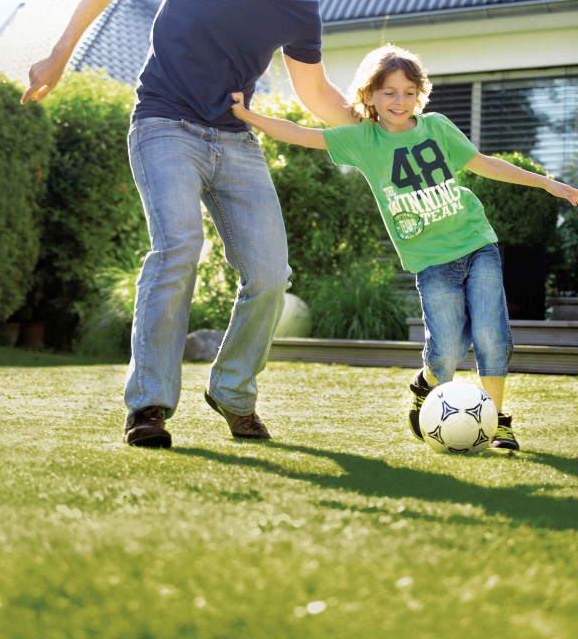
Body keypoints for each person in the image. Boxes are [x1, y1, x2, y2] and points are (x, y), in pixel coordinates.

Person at [21, 0, 367, 448]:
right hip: (163, 124)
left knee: (270, 272)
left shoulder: (301, 9)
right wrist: (60, 55)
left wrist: (378, 124)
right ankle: (150, 405)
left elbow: (316, 94)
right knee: (179, 246)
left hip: (234, 139)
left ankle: (231, 392)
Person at [231, 44, 578, 452]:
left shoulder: (438, 127)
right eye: (389, 92)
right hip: (430, 261)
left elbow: (484, 163)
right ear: (370, 96)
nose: (400, 101)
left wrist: (547, 184)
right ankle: (426, 383)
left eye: (409, 91)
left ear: (420, 94)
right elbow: (302, 135)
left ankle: (498, 421)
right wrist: (247, 116)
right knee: (446, 352)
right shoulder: (364, 140)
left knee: (491, 335)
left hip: (476, 242)